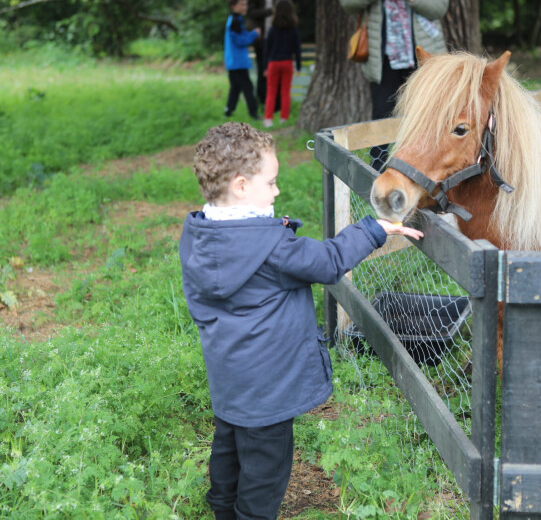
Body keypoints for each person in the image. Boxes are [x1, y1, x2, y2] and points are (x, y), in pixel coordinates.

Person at [180, 122, 423, 520]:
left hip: (228, 378)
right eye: (271, 182)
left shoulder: (198, 234)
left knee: (229, 448)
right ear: (241, 186)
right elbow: (328, 262)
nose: (277, 191)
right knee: (265, 472)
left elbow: (198, 304)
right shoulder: (272, 246)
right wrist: (374, 228)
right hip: (271, 389)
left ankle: (222, 510)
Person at [340, 0, 449, 170]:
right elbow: (347, 1)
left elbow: (440, 7)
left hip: (423, 60)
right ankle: (377, 172)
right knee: (382, 115)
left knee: (426, 116)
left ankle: (426, 170)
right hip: (383, 62)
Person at [263, 0, 302, 127]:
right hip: (287, 62)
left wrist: (264, 67)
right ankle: (283, 118)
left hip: (273, 63)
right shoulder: (294, 30)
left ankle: (268, 119)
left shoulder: (272, 30)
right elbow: (297, 49)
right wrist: (299, 66)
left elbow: (267, 49)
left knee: (271, 91)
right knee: (285, 91)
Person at [225, 0, 261, 121]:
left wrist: (251, 34)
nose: (245, 6)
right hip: (237, 62)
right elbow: (240, 41)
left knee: (235, 87)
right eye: (242, 4)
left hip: (233, 61)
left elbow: (242, 34)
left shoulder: (236, 19)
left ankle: (228, 111)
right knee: (248, 87)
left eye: (245, 4)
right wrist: (254, 34)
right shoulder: (235, 21)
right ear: (234, 6)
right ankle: (254, 114)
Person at [246, 0, 283, 107]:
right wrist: (269, 11)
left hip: (275, 36)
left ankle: (277, 104)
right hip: (261, 38)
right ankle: (263, 102)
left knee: (276, 70)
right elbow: (251, 12)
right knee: (263, 70)